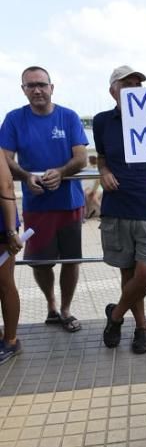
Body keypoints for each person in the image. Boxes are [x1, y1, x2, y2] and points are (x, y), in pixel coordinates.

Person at [0, 66, 88, 332]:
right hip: (36, 205)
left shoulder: (69, 116)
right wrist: (26, 176)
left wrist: (61, 172)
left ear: (52, 87)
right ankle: (51, 306)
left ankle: (66, 309)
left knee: (71, 261)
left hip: (70, 203)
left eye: (41, 84)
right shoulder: (14, 119)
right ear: (23, 90)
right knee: (40, 262)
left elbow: (82, 158)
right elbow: (5, 159)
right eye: (30, 85)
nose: (37, 90)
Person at [92, 65, 146, 354]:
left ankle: (115, 315)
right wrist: (103, 171)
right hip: (118, 206)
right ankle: (142, 326)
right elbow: (100, 157)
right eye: (127, 85)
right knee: (128, 274)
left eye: (138, 85)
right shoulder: (101, 122)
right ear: (113, 91)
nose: (134, 89)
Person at [0, 150, 22, 364]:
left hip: (1, 226)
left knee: (4, 282)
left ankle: (11, 340)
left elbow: (6, 186)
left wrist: (10, 231)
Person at [84, 155, 102, 219]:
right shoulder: (92, 169)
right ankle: (88, 213)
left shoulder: (96, 169)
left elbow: (97, 182)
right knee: (87, 196)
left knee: (94, 198)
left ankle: (104, 213)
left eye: (88, 161)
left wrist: (93, 190)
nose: (88, 162)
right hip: (96, 188)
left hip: (99, 187)